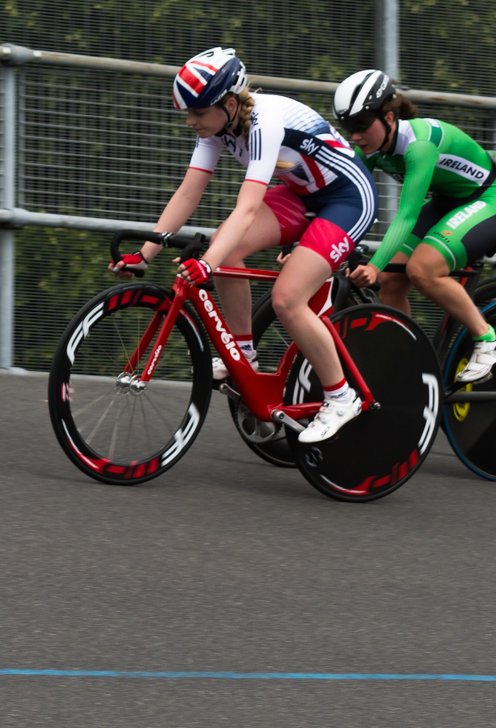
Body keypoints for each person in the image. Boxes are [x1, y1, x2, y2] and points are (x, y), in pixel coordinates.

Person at [113, 48, 378, 444]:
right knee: (227, 248)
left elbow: (248, 207)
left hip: (348, 199)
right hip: (302, 194)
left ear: (230, 103)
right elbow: (188, 193)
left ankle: (341, 398)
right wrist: (144, 254)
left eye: (198, 112)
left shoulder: (265, 122)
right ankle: (243, 356)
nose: (190, 121)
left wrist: (206, 263)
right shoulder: (218, 127)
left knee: (287, 299)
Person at [330, 69, 496, 385]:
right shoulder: (370, 149)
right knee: (390, 281)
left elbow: (406, 216)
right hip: (448, 201)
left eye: (361, 124)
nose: (355, 136)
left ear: (389, 117)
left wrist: (373, 265)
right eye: (348, 127)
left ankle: (488, 337)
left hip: (488, 201)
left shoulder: (418, 146)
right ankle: (407, 362)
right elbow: (343, 197)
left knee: (422, 269)